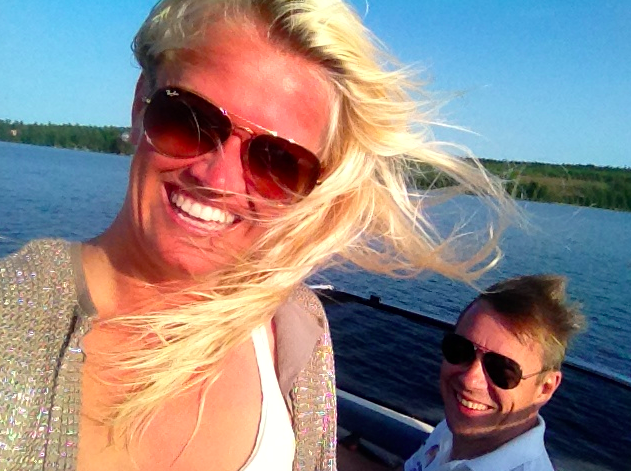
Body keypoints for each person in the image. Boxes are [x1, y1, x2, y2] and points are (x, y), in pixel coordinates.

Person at [0, 1, 514, 470]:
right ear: (140, 106)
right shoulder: (15, 323)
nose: (218, 179)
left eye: (278, 161)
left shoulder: (297, 327)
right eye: (189, 119)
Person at [405, 274, 585, 471]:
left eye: (502, 369)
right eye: (460, 349)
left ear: (545, 388)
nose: (470, 380)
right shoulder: (456, 426)